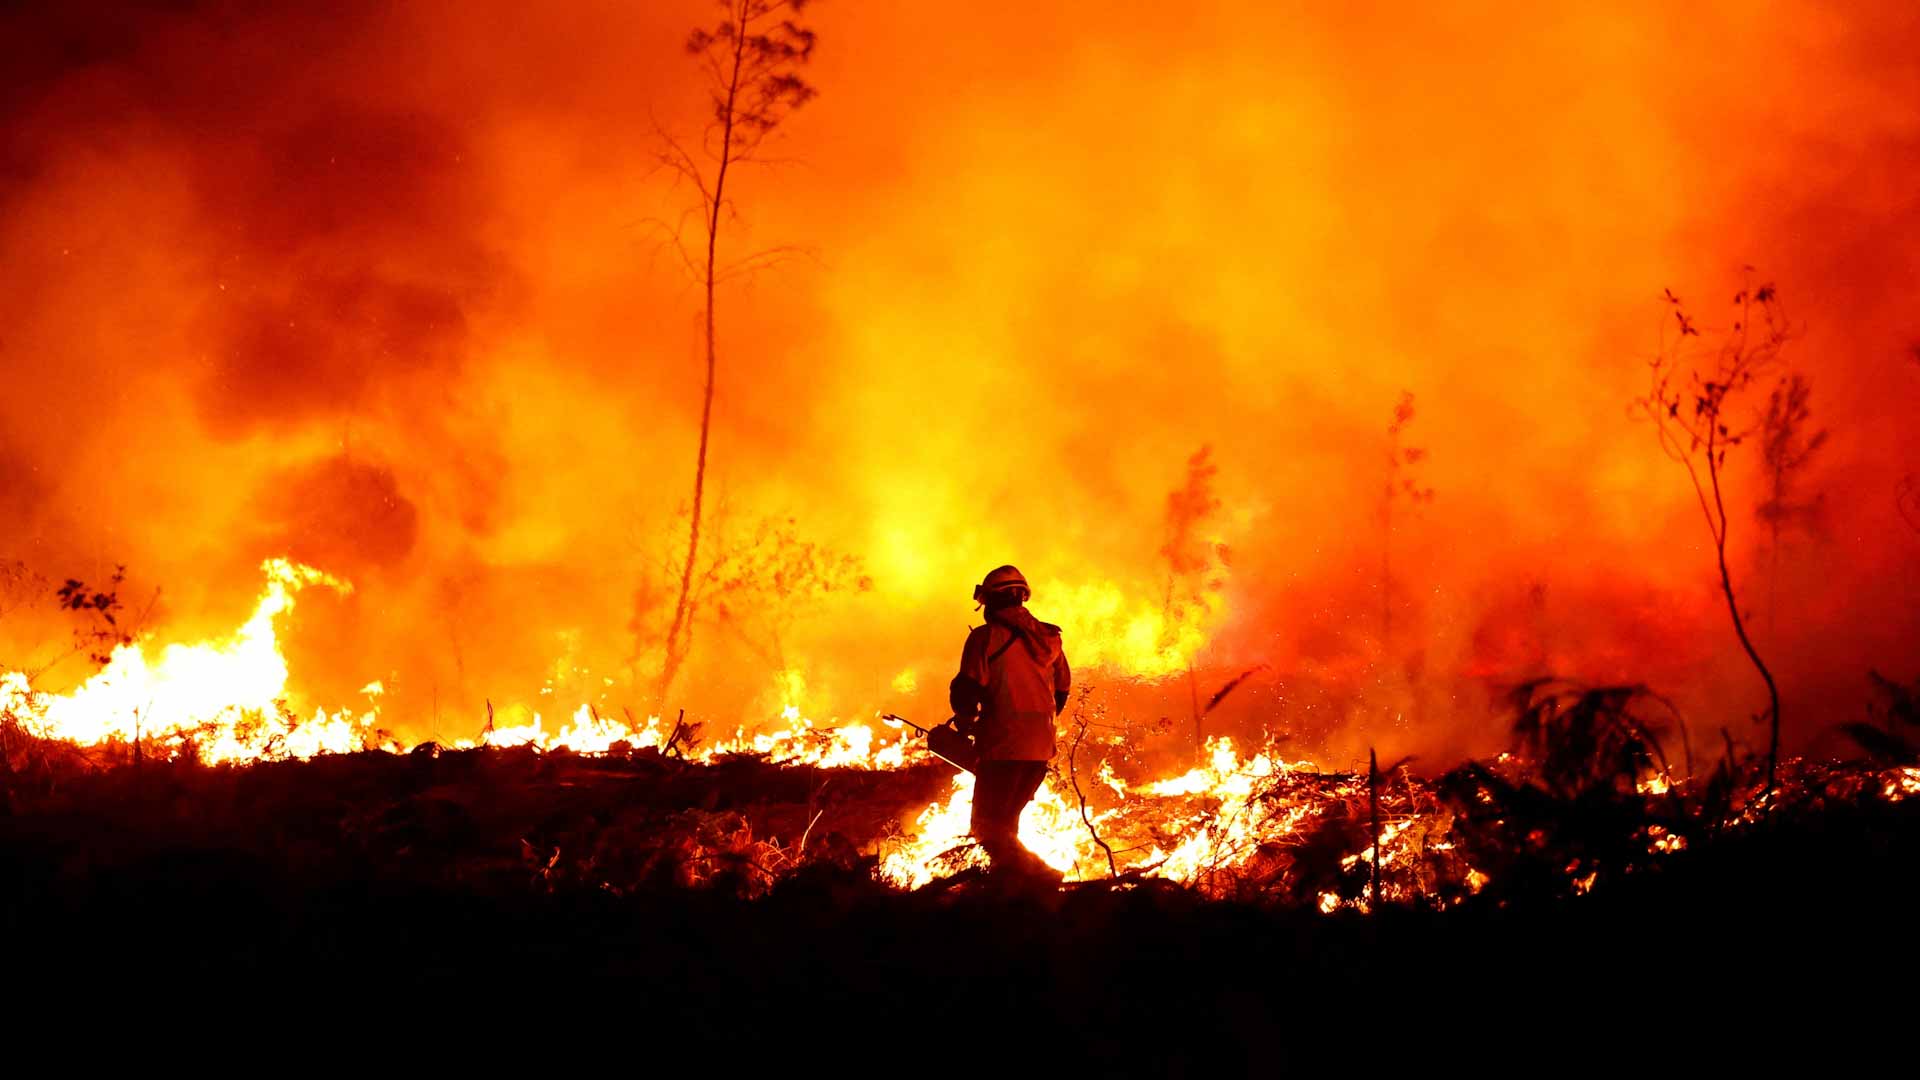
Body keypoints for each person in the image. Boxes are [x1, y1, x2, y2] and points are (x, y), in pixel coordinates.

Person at [949, 564, 1071, 878]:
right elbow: (1061, 691)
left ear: (992, 601)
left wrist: (966, 723)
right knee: (1006, 827)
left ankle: (1041, 878)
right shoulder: (1050, 639)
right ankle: (1015, 892)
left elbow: (967, 690)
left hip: (1003, 749)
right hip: (1040, 751)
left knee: (987, 829)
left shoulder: (985, 639)